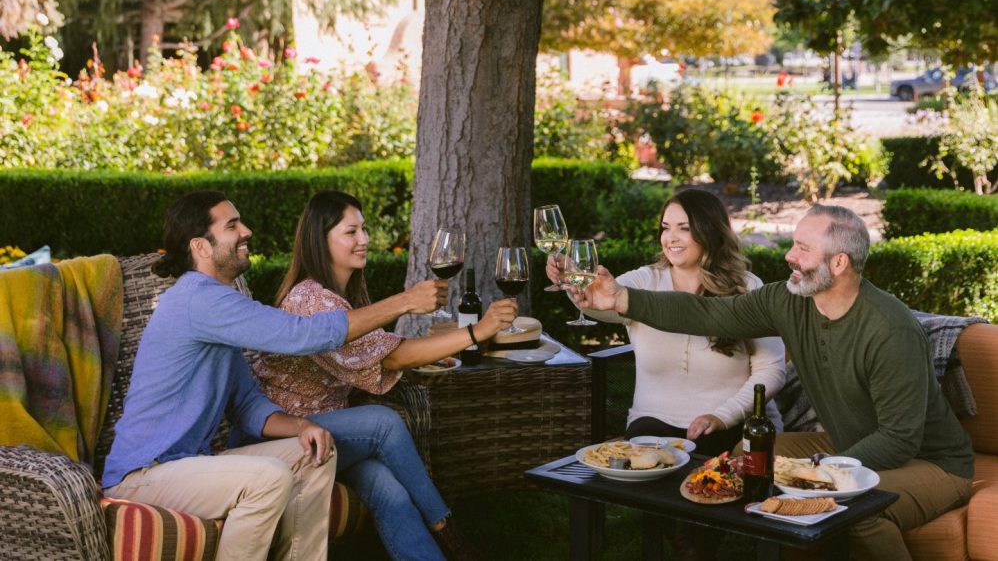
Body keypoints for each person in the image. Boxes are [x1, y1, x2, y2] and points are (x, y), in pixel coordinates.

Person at [576, 204, 974, 561]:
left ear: (838, 263)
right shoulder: (789, 300)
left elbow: (899, 438)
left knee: (856, 510)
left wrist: (816, 472)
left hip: (931, 462)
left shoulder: (889, 329)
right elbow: (707, 314)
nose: (789, 256)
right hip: (847, 440)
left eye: (803, 248)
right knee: (751, 455)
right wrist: (621, 299)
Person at [102, 191, 445, 561]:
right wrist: (405, 301)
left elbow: (247, 405)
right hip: (144, 474)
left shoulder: (218, 304)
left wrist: (302, 427)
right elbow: (302, 334)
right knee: (269, 477)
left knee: (315, 451)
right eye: (232, 225)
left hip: (187, 465)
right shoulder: (197, 300)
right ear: (201, 246)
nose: (246, 230)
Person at [250, 190, 518, 561]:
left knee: (387, 488)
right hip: (287, 437)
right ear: (320, 239)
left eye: (364, 229)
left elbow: (386, 352)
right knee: (383, 423)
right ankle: (449, 534)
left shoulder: (339, 294)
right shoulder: (312, 299)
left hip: (328, 431)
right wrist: (478, 331)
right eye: (350, 232)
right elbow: (392, 358)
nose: (364, 240)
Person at [549, 189, 785, 456]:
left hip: (728, 424)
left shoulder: (747, 288)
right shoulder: (644, 281)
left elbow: (772, 371)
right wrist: (574, 283)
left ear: (710, 231)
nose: (670, 238)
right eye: (665, 228)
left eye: (684, 228)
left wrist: (722, 416)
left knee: (707, 470)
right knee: (648, 463)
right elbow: (602, 305)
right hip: (650, 423)